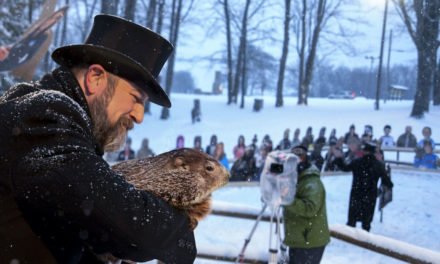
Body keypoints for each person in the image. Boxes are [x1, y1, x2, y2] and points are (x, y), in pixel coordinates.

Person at [0, 15, 196, 263]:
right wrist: (181, 228)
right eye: (136, 98)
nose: (139, 116)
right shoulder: (42, 115)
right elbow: (122, 219)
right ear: (95, 78)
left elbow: (68, 230)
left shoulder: (59, 124)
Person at [283, 145, 330, 264]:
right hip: (299, 238)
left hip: (309, 241)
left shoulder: (312, 181)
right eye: (292, 159)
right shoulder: (295, 178)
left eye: (300, 157)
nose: (296, 161)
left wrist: (287, 199)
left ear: (306, 159)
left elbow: (310, 208)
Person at [333, 143, 393, 232]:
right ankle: (365, 239)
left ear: (364, 151)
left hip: (356, 193)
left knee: (352, 220)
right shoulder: (378, 165)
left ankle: (349, 237)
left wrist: (338, 158)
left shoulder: (357, 162)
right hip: (370, 195)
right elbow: (388, 183)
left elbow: (345, 168)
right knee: (366, 221)